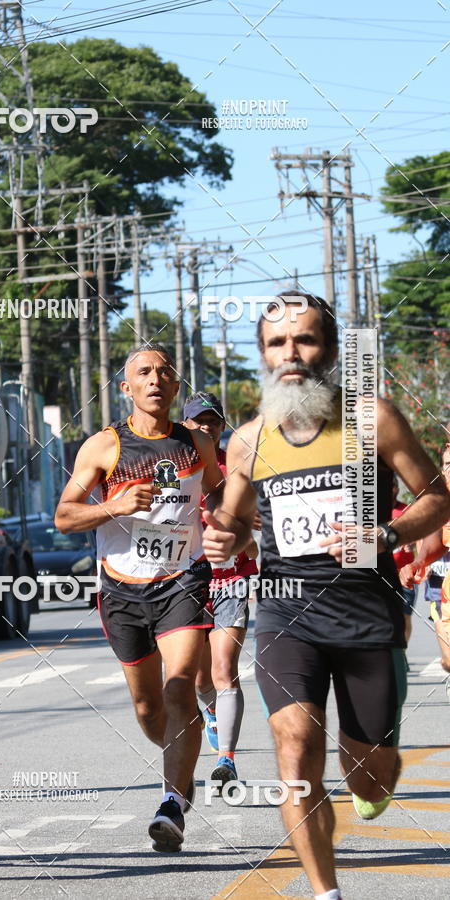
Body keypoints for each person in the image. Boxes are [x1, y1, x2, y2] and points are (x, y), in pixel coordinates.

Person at [201, 292, 450, 900]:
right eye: (277, 343)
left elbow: (438, 498)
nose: (291, 352)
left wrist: (385, 534)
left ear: (331, 350)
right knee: (296, 746)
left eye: (305, 339)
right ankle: (325, 893)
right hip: (287, 614)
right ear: (263, 356)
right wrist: (222, 536)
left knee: (370, 778)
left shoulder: (373, 419)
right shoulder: (249, 441)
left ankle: (373, 775)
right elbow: (236, 521)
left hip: (367, 616)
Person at [55, 344, 225, 852]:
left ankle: (171, 803)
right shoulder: (103, 447)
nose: (155, 379)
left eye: (164, 372)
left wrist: (231, 524)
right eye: (144, 373)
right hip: (122, 589)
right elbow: (65, 516)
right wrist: (116, 506)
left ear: (175, 386)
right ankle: (183, 762)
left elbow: (219, 493)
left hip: (183, 579)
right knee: (149, 708)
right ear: (127, 388)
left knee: (179, 686)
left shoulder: (197, 442)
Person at [183, 391, 258, 788]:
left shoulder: (238, 473)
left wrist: (244, 533)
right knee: (200, 680)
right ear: (186, 426)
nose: (206, 427)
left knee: (224, 669)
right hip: (187, 581)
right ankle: (211, 711)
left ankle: (226, 759)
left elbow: (257, 530)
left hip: (231, 579)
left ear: (222, 426)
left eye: (213, 421)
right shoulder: (174, 471)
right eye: (199, 421)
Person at [400, 444, 450, 678]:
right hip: (443, 584)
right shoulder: (441, 498)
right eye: (448, 464)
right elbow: (435, 537)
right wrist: (419, 562)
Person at [390, 475, 417, 646]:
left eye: (392, 485)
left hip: (405, 575)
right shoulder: (372, 513)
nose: (389, 489)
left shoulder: (407, 511)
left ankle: (402, 651)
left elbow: (421, 536)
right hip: (381, 574)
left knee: (405, 616)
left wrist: (413, 543)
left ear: (397, 489)